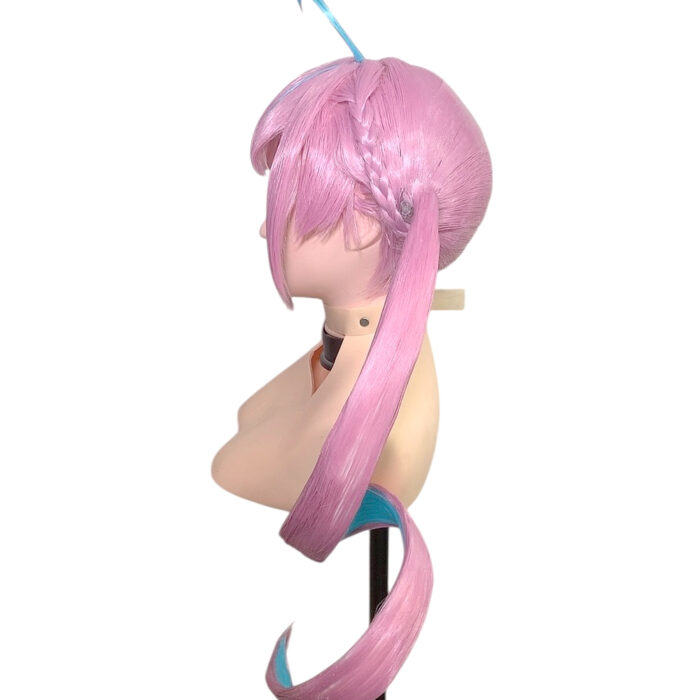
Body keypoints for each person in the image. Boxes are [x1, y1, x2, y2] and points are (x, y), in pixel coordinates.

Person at [212, 55, 492, 699]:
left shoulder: (357, 413)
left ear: (362, 227)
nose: (264, 226)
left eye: (286, 201)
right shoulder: (347, 353)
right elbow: (250, 421)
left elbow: (230, 464)